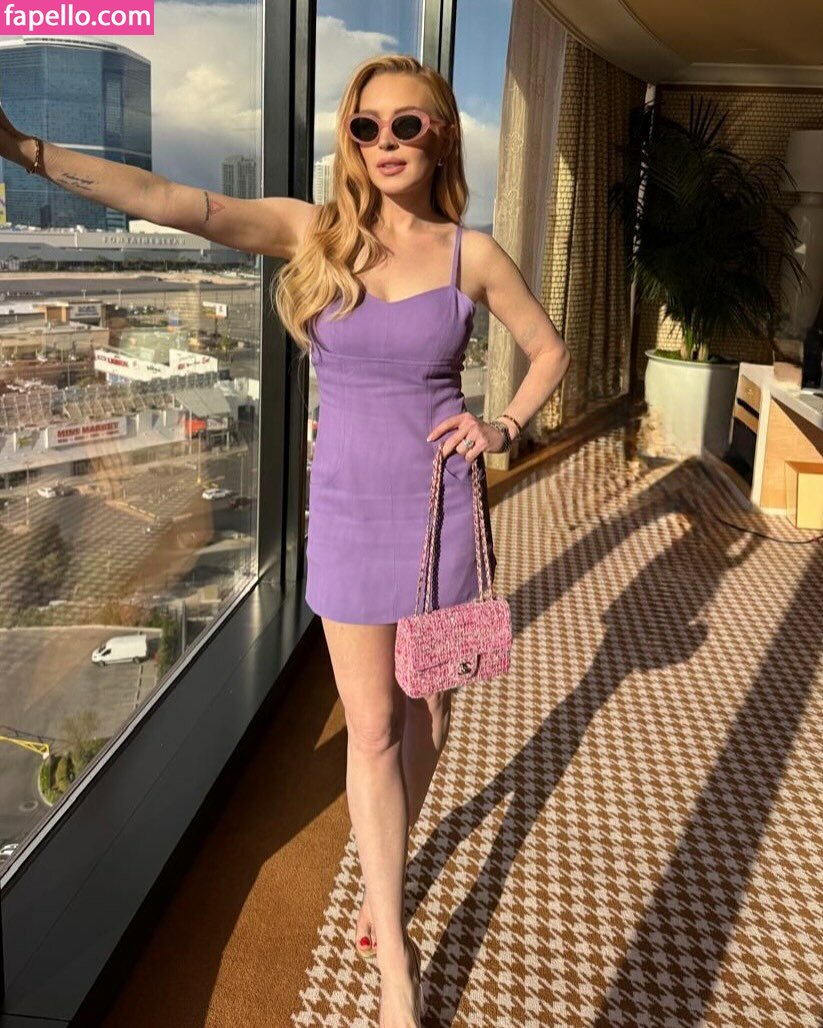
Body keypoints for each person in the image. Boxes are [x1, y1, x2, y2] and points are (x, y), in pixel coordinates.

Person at [0, 51, 569, 1028]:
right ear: (350, 139)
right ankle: (394, 951)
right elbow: (169, 200)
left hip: (440, 510)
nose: (384, 142)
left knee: (430, 716)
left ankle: (384, 859)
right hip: (347, 513)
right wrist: (22, 149)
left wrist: (505, 423)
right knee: (374, 727)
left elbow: (547, 347)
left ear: (441, 136)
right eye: (366, 126)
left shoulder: (469, 255)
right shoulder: (316, 233)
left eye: (406, 124)